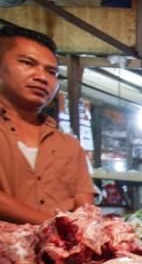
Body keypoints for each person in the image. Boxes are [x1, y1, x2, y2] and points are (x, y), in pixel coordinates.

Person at [0, 24, 95, 224]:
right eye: (27, 63)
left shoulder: (68, 146)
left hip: (59, 251)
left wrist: (74, 233)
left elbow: (85, 208)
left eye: (51, 72)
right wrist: (55, 226)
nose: (42, 77)